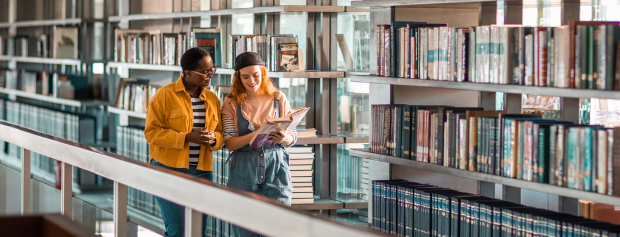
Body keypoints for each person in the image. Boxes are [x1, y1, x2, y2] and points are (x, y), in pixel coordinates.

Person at [144, 47, 223, 237]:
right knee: (178, 231)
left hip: (203, 172)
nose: (210, 74)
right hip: (169, 170)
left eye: (212, 69)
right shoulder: (164, 95)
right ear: (188, 72)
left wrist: (214, 139)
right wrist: (186, 137)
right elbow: (151, 133)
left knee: (198, 231)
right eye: (205, 71)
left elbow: (221, 136)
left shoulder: (212, 99)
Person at [221, 52, 295, 237]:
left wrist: (284, 138)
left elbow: (292, 137)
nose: (251, 80)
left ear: (263, 73)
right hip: (243, 169)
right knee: (245, 228)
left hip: (276, 166)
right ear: (238, 78)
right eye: (245, 77)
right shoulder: (231, 102)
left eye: (255, 75)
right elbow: (229, 143)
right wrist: (256, 134)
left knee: (279, 227)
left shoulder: (279, 98)